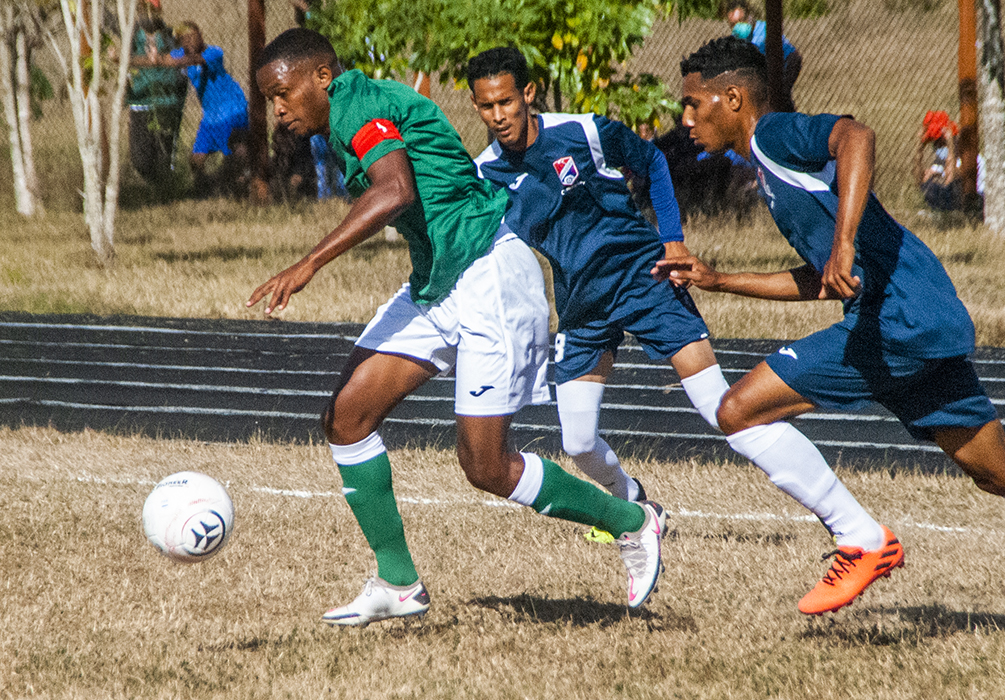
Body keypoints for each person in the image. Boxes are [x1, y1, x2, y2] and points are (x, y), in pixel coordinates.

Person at [247, 28, 666, 626]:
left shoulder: (358, 107)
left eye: (283, 93)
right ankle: (397, 581)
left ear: (321, 77)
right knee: (347, 415)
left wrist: (309, 262)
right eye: (269, 100)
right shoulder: (349, 111)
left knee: (486, 467)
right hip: (440, 283)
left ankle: (632, 520)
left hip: (490, 277)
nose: (279, 109)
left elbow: (395, 190)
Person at [655, 36, 1005, 615]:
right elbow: (820, 279)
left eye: (693, 105)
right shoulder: (768, 171)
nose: (686, 119)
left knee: (737, 410)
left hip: (898, 319)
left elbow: (857, 136)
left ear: (731, 98)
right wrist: (718, 278)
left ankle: (862, 538)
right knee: (998, 473)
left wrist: (845, 245)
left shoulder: (773, 136)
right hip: (916, 314)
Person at [466, 47, 864, 572]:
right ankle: (636, 506)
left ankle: (844, 523)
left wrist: (672, 238)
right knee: (578, 442)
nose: (498, 116)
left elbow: (651, 161)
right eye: (485, 106)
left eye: (506, 102)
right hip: (583, 305)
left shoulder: (584, 132)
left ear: (529, 94)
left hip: (647, 281)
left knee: (722, 408)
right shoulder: (486, 174)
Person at [162, 22, 250, 195]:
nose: (193, 41)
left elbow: (196, 60)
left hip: (231, 110)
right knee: (196, 160)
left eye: (195, 36)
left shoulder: (214, 53)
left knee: (237, 154)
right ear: (180, 42)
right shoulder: (180, 54)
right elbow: (161, 60)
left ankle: (231, 184)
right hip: (211, 116)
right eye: (186, 39)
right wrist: (123, 59)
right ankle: (205, 191)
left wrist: (175, 62)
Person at [126, 0, 188, 186]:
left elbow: (180, 66)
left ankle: (165, 189)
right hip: (140, 100)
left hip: (165, 101)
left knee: (164, 153)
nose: (149, 15)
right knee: (140, 158)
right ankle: (151, 184)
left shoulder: (169, 36)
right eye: (144, 9)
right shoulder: (132, 36)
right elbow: (124, 62)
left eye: (153, 10)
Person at [725, 1, 801, 112]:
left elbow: (794, 57)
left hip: (780, 75)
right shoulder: (736, 40)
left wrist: (782, 86)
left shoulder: (766, 31)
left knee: (779, 103)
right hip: (760, 81)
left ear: (749, 17)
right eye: (733, 24)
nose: (738, 27)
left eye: (741, 21)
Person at [914, 110, 984, 213]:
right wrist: (919, 148)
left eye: (942, 143)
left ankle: (959, 217)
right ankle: (943, 214)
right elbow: (919, 179)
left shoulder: (968, 158)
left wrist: (950, 145)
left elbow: (951, 179)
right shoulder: (940, 161)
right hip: (955, 199)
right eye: (935, 143)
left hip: (979, 199)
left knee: (953, 187)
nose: (938, 147)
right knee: (928, 187)